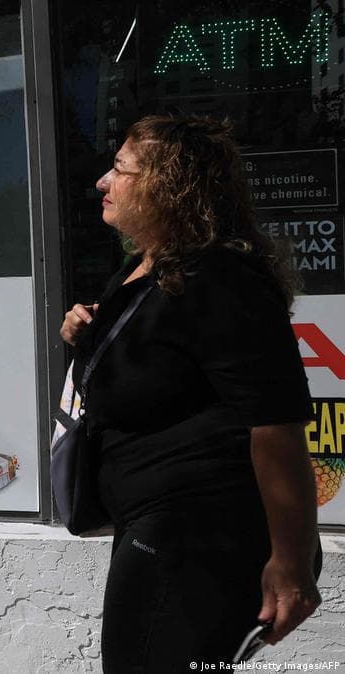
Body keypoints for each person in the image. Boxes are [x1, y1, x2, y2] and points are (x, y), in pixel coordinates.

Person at [58, 115, 322, 671]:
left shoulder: (221, 279)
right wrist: (88, 333)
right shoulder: (149, 267)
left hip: (200, 539)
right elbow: (160, 364)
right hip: (152, 525)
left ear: (166, 187)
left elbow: (276, 427)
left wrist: (291, 564)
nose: (102, 182)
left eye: (120, 170)